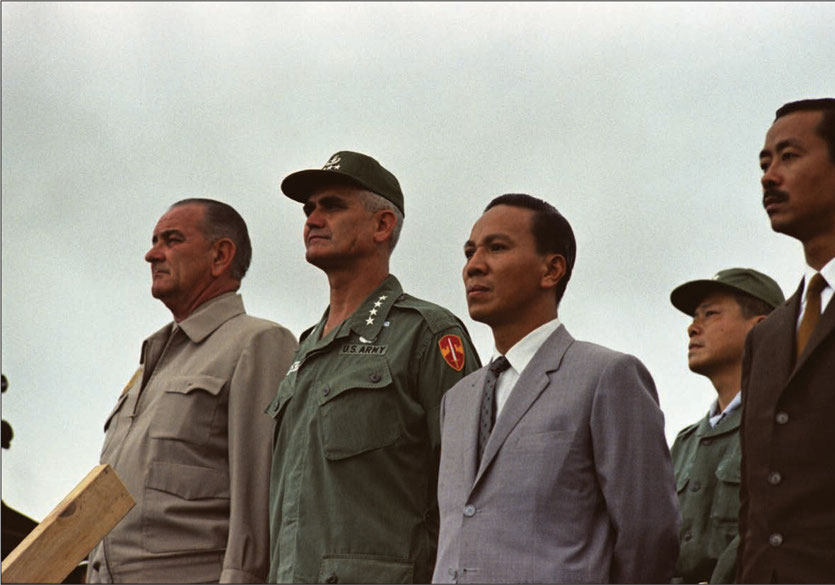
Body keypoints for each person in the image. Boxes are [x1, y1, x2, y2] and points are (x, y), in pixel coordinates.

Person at [432, 193, 679, 583]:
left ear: (551, 270)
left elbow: (649, 533)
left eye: (496, 248)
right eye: (469, 253)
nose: (473, 267)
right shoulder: (457, 400)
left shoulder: (607, 376)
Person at [267, 151, 481, 583]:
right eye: (310, 209)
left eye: (333, 205)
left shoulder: (428, 335)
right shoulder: (305, 349)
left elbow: (472, 493)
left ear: (382, 225)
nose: (313, 218)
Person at [87, 199, 298, 583]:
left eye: (172, 240)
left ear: (220, 255)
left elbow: (262, 495)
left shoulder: (258, 342)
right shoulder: (148, 365)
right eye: (154, 241)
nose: (152, 254)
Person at [738, 98, 835, 583]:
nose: (769, 175)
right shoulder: (768, 335)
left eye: (789, 156)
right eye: (764, 162)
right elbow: (754, 505)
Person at [668, 268, 784, 584]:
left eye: (711, 314)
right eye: (695, 317)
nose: (693, 328)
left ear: (761, 328)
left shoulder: (787, 424)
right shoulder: (684, 443)